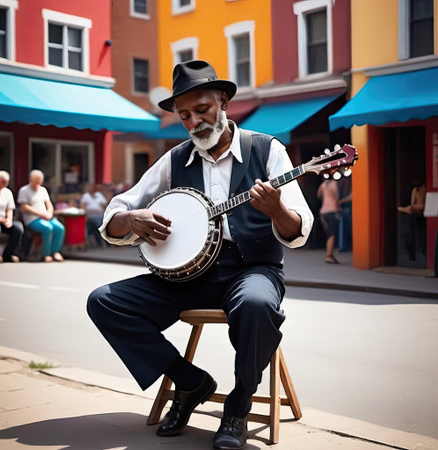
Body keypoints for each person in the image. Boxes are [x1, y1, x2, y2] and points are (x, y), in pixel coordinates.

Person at [87, 60, 313, 450]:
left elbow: (299, 230)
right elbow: (115, 213)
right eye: (185, 115)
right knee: (104, 302)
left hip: (250, 269)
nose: (194, 121)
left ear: (223, 101)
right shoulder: (175, 160)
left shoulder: (266, 149)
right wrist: (130, 217)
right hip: (186, 278)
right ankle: (190, 382)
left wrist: (276, 210)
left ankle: (237, 407)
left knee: (258, 304)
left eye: (202, 109)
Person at [18, 170, 65, 263]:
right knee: (47, 228)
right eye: (36, 181)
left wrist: (49, 213)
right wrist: (40, 214)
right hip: (33, 219)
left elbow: (49, 204)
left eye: (39, 181)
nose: (38, 183)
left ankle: (55, 251)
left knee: (60, 228)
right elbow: (23, 207)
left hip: (46, 216)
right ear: (31, 180)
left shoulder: (43, 190)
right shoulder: (24, 190)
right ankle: (46, 254)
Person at [0, 170, 23, 263]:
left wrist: (9, 219)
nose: (5, 184)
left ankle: (8, 254)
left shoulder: (7, 192)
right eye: (3, 182)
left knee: (18, 228)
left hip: (3, 220)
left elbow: (10, 209)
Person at [397, 177, 426, 261]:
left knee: (420, 238)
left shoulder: (423, 190)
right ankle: (412, 256)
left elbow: (420, 206)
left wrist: (401, 209)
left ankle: (421, 254)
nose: (414, 181)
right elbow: (413, 205)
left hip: (421, 218)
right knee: (409, 235)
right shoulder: (414, 190)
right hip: (413, 217)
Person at [317, 177, 341, 264]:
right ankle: (329, 255)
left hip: (323, 212)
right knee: (332, 235)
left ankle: (330, 255)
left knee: (329, 234)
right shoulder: (334, 183)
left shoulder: (324, 184)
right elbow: (336, 197)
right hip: (332, 211)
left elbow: (318, 195)